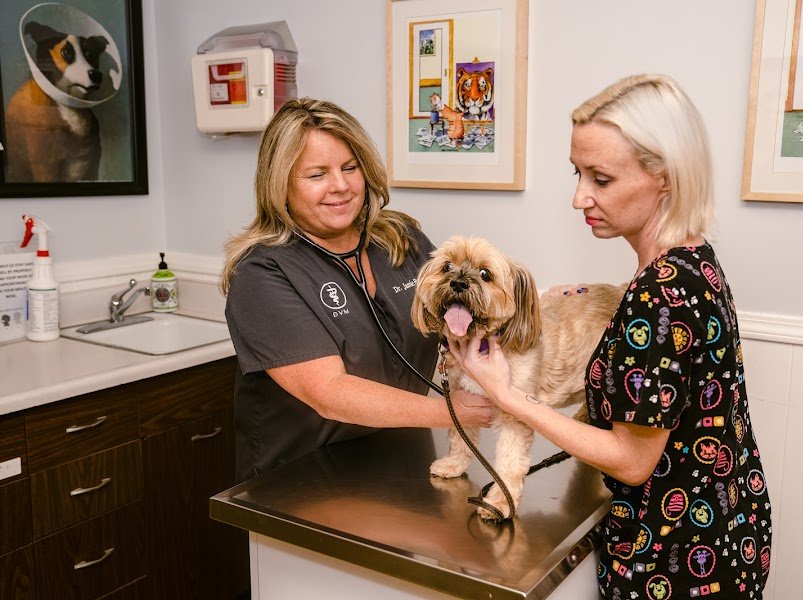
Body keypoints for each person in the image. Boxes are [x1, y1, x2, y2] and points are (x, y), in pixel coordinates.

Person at [447, 74, 772, 599]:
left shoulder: (659, 295)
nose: (580, 197)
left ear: (664, 178)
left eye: (601, 179)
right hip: (729, 527)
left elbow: (631, 461)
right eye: (577, 173)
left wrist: (507, 395)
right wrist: (589, 298)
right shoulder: (691, 262)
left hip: (674, 560)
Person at [221, 97, 492, 483]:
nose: (341, 186)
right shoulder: (262, 274)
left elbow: (461, 314)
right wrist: (452, 411)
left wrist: (538, 307)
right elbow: (328, 392)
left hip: (401, 456)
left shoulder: (400, 240)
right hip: (300, 481)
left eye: (350, 168)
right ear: (280, 185)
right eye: (317, 175)